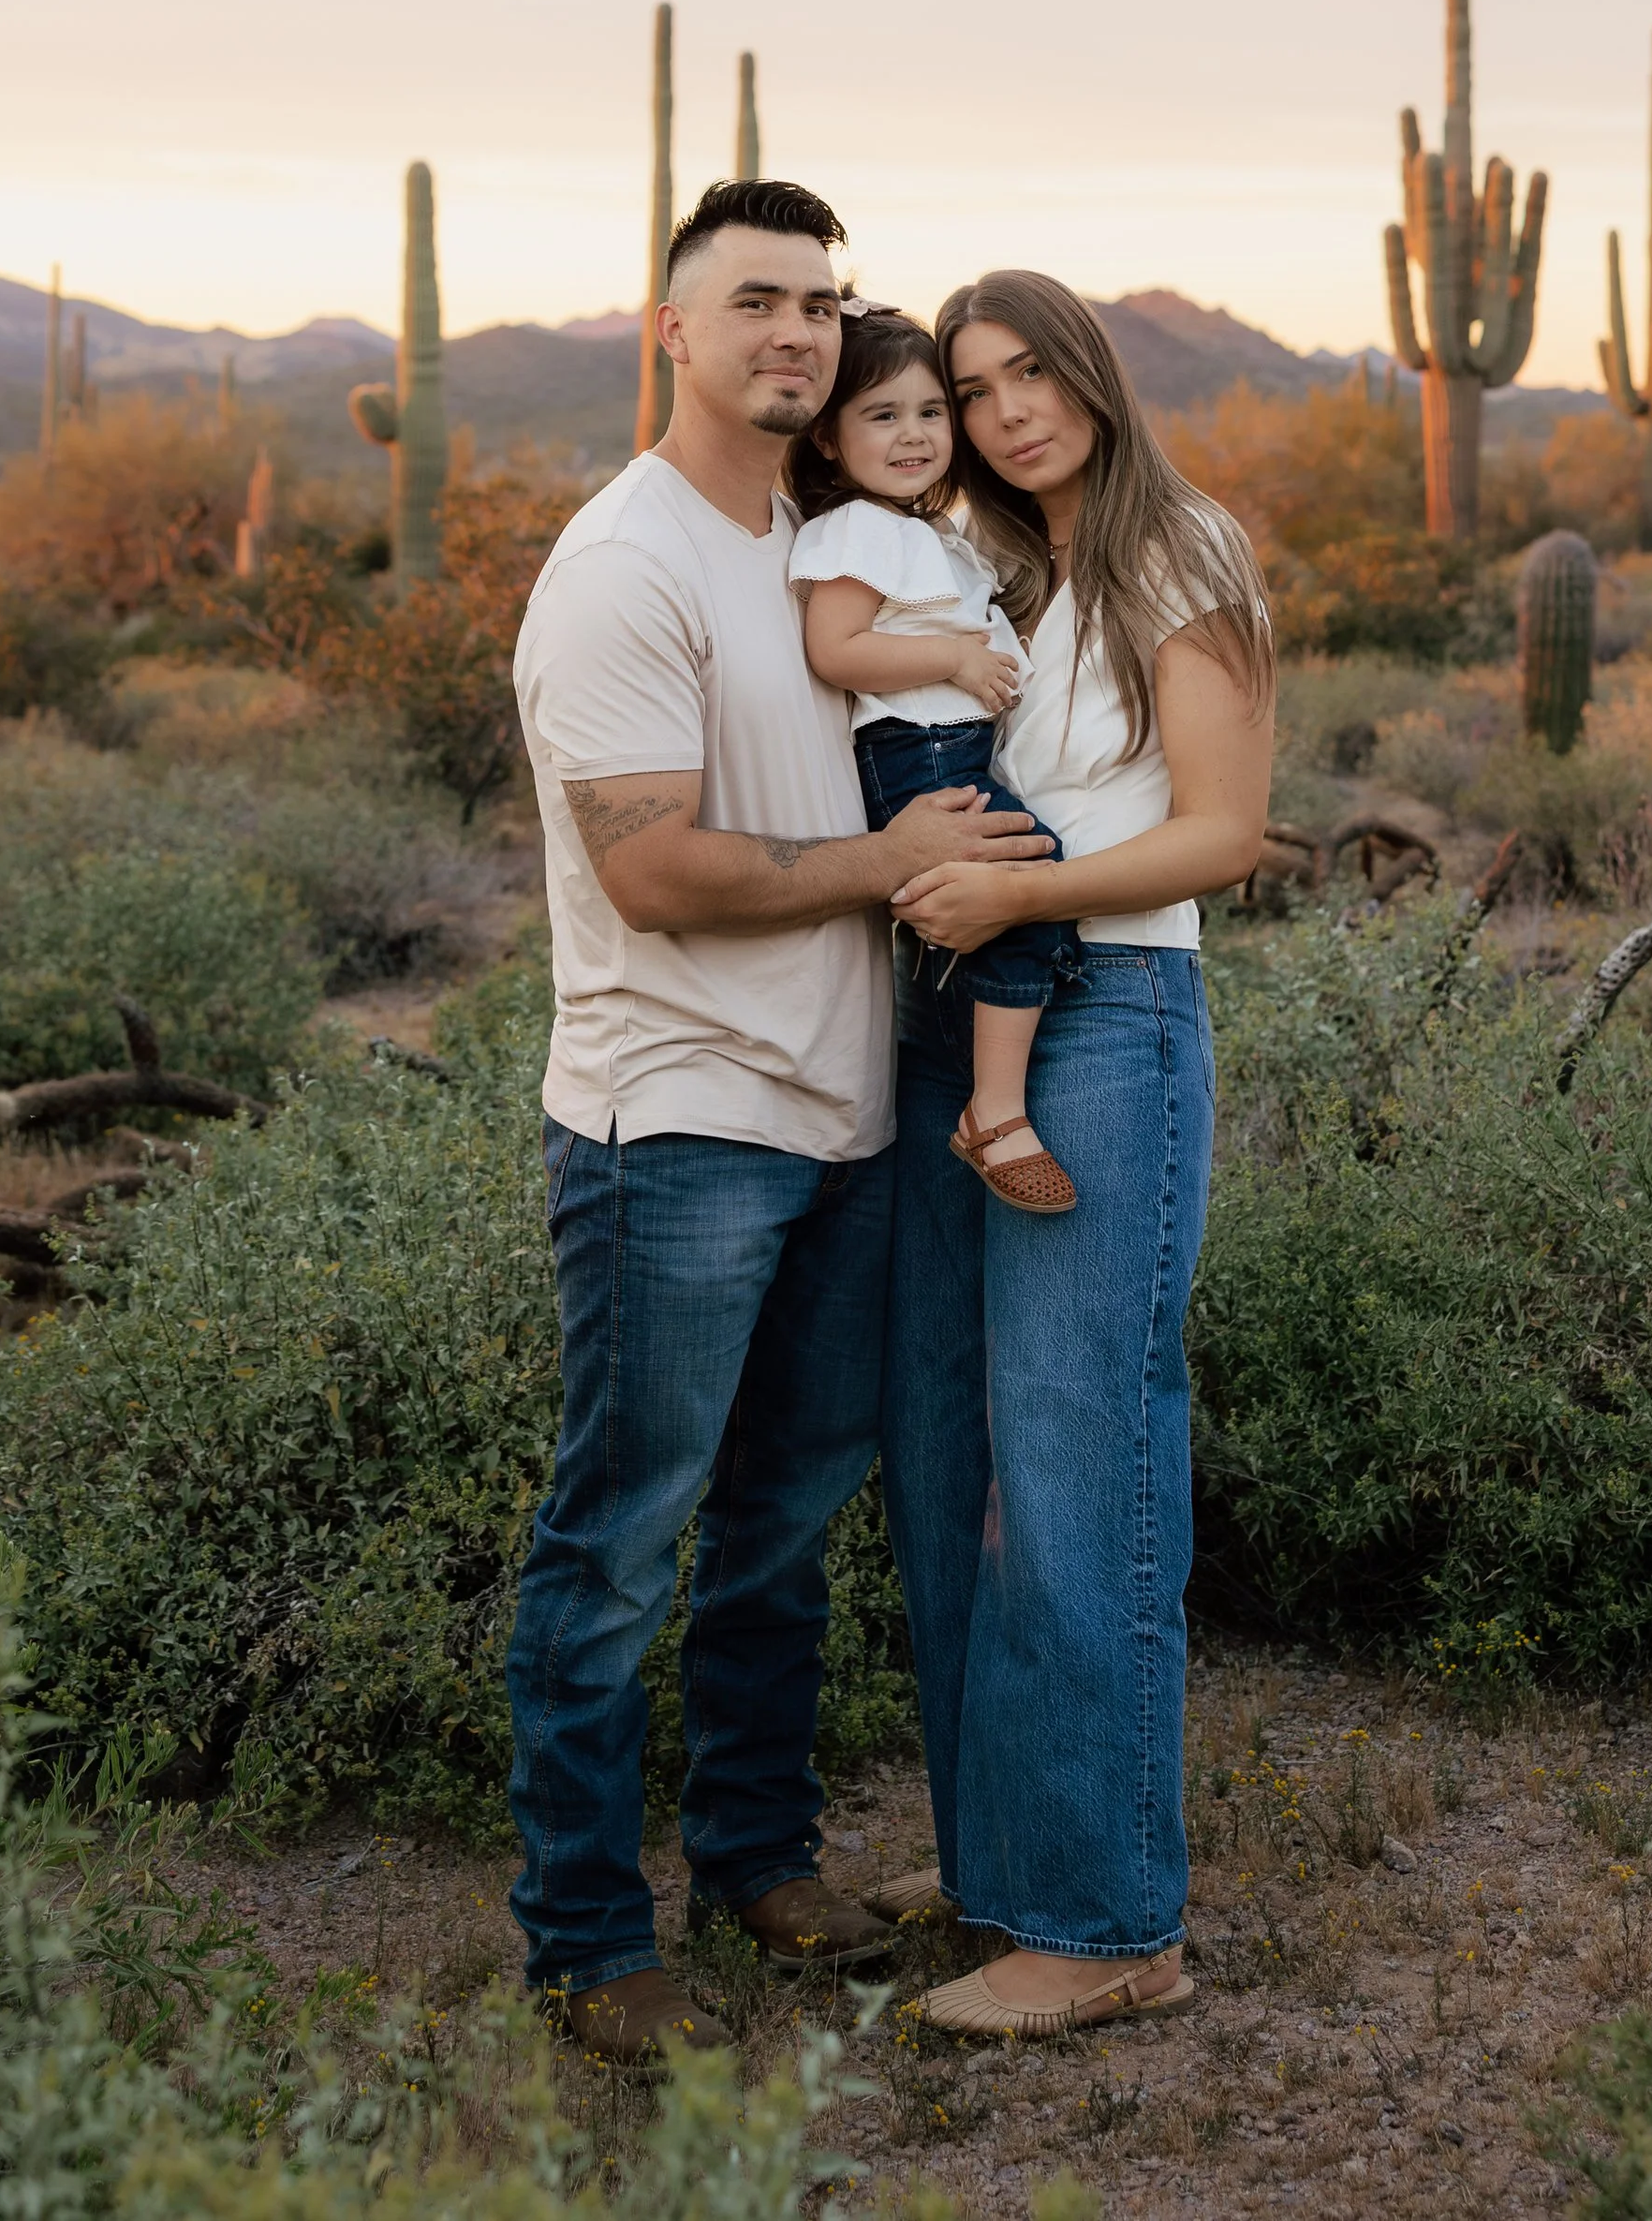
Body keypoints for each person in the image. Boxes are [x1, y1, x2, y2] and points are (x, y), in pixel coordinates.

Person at [503, 178, 1054, 2066]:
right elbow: (653, 870)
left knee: (778, 1530)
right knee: (622, 1537)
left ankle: (753, 1858)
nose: (796, 332)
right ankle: (586, 1938)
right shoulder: (621, 565)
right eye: (754, 300)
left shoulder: (819, 538)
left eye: (819, 303)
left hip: (838, 1117)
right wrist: (891, 861)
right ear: (671, 330)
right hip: (677, 1123)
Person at [866, 269, 1275, 2036]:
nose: (1012, 408)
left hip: (1110, 1025)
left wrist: (1021, 890)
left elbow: (1225, 832)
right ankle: (1003, 1862)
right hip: (973, 1017)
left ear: (1094, 372)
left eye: (1037, 371)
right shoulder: (989, 569)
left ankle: (1113, 1930)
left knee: (1081, 1460)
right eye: (975, 387)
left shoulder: (1179, 548)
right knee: (965, 1466)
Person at [789, 298, 1081, 1214]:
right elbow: (835, 648)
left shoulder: (925, 528)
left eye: (929, 412)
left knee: (1003, 896)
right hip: (915, 754)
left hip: (948, 748)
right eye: (882, 416)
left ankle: (983, 1089)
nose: (913, 435)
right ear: (830, 439)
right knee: (1029, 878)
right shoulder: (853, 531)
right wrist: (955, 656)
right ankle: (994, 1113)